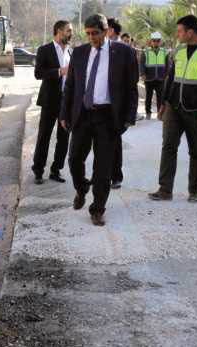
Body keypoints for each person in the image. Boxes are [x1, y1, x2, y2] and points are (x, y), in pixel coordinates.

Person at [60, 14, 138, 226]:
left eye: (95, 33)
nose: (91, 37)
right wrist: (64, 114)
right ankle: (82, 187)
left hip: (108, 118)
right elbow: (71, 87)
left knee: (103, 168)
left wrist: (129, 117)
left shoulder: (125, 53)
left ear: (106, 31)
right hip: (83, 115)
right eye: (88, 34)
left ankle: (97, 209)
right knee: (74, 159)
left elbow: (132, 88)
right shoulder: (79, 52)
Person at [148, 15, 197, 203]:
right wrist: (164, 103)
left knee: (196, 151)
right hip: (174, 107)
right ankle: (165, 189)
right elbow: (171, 77)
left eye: (180, 31)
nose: (178, 34)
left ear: (190, 32)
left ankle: (194, 191)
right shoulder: (179, 49)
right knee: (168, 147)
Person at [32, 20, 73, 184]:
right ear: (59, 31)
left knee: (64, 138)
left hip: (66, 101)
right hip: (49, 101)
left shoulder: (71, 51)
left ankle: (56, 170)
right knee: (44, 136)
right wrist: (59, 71)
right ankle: (38, 170)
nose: (71, 33)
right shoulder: (44, 50)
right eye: (68, 30)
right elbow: (38, 73)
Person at [105, 17, 129, 189]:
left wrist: (129, 111)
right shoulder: (99, 49)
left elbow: (131, 83)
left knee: (115, 141)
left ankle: (116, 176)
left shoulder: (124, 50)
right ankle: (104, 175)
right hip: (100, 103)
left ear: (110, 30)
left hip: (117, 105)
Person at [140, 31, 169, 120]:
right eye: (154, 40)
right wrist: (142, 74)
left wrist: (167, 75)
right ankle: (148, 112)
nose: (155, 42)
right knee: (148, 96)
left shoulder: (165, 52)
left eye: (157, 41)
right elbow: (142, 63)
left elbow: (168, 64)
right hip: (149, 78)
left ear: (160, 42)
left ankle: (160, 113)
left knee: (160, 97)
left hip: (160, 78)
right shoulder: (145, 51)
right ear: (151, 41)